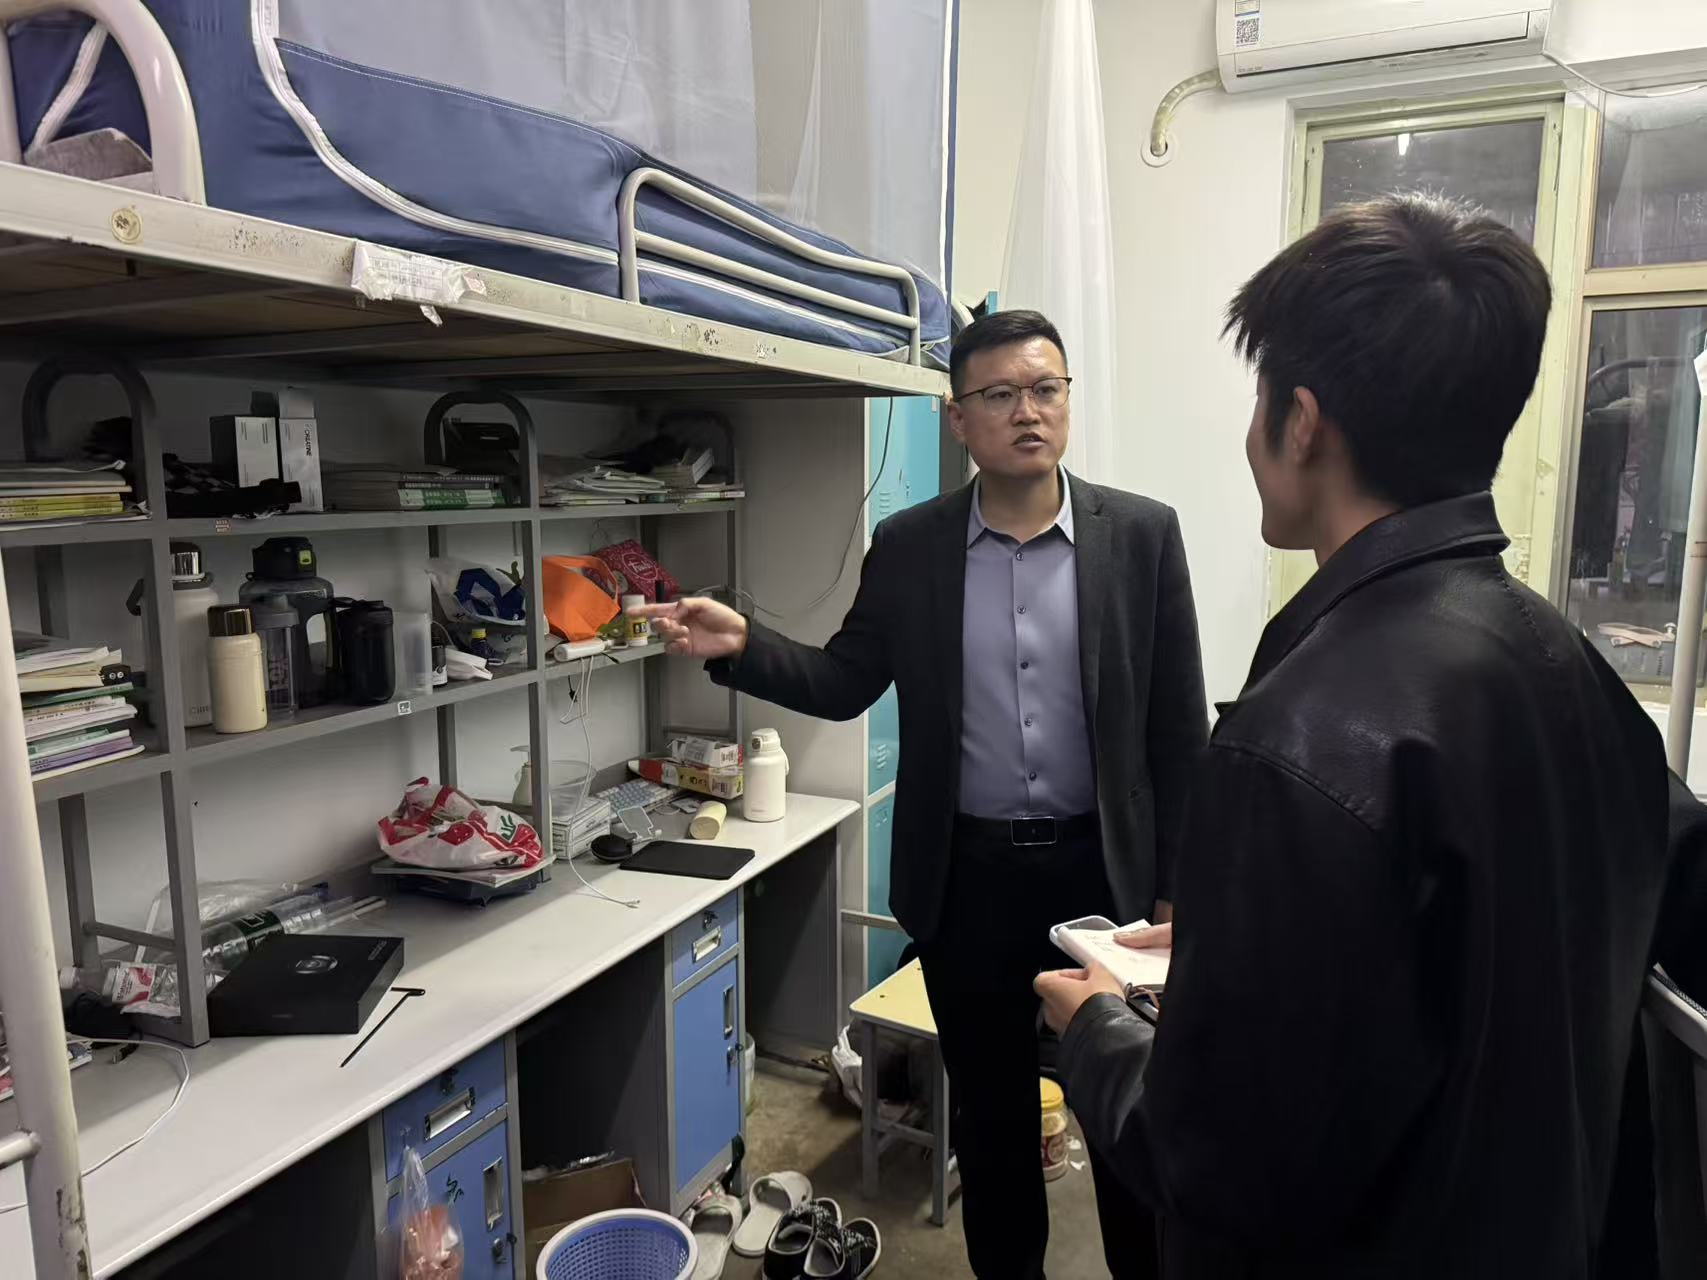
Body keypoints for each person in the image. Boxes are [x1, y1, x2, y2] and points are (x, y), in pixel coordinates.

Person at [1034, 194, 1675, 1278]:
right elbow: (1454, 967)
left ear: (1300, 423)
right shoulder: (1572, 667)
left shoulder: (1296, 739)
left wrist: (1097, 1031)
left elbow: (1220, 1159)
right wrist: (1226, 944)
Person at [635, 309, 1208, 1278]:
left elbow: (1179, 733)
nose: (1028, 411)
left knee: (1126, 1118)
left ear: (1067, 400)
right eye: (1001, 393)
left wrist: (1175, 898)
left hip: (1104, 875)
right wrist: (745, 646)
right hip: (967, 880)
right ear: (959, 419)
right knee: (990, 1124)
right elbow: (846, 679)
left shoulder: (1142, 536)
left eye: (1046, 388)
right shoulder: (911, 546)